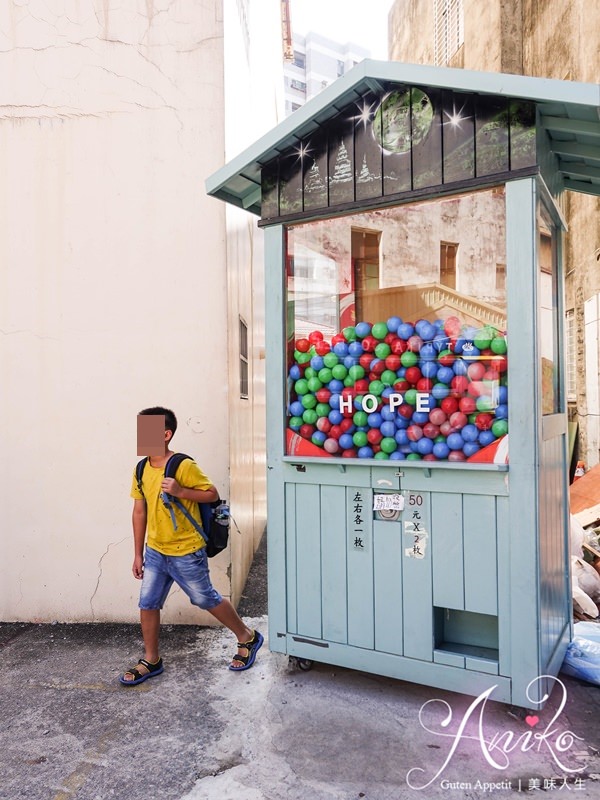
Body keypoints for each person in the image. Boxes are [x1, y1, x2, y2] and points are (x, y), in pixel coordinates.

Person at [120, 406, 262, 685]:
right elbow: (139, 512)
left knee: (204, 598)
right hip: (156, 551)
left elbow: (212, 493)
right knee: (148, 603)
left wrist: (179, 491)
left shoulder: (183, 465)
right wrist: (138, 553)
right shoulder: (140, 469)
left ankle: (248, 636)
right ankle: (151, 659)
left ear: (165, 434)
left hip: (186, 550)